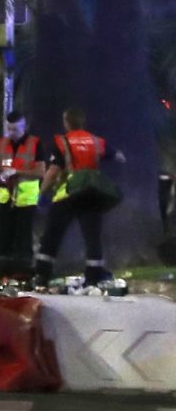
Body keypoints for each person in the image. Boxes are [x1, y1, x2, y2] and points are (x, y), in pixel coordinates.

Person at [32, 107, 124, 288]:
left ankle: (42, 274)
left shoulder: (61, 142)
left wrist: (42, 193)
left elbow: (53, 171)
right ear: (84, 122)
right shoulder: (96, 141)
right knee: (92, 236)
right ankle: (94, 275)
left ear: (66, 122)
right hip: (92, 193)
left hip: (69, 193)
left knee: (52, 233)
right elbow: (120, 157)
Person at [0, 110, 45, 283]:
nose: (12, 133)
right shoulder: (1, 144)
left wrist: (18, 172)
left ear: (24, 126)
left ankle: (24, 277)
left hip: (26, 200)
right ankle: (2, 277)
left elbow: (40, 171)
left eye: (15, 129)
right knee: (3, 240)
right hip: (5, 198)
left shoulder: (35, 143)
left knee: (23, 241)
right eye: (9, 129)